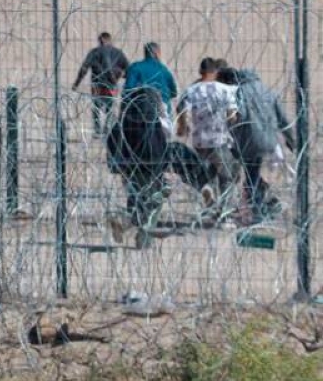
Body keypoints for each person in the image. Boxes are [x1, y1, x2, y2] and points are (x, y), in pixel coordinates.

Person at [219, 67, 295, 223]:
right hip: (269, 140)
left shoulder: (238, 92)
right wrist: (291, 139)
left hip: (248, 140)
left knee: (250, 175)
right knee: (252, 173)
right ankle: (263, 203)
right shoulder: (266, 91)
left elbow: (238, 117)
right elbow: (282, 117)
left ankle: (258, 212)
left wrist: (231, 137)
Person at [107, 86, 170, 248]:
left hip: (127, 166)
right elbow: (163, 143)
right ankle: (141, 236)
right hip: (151, 166)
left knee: (137, 198)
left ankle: (127, 223)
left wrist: (115, 165)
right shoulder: (154, 120)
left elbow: (112, 140)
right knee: (154, 200)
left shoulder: (124, 119)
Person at [176, 58, 239, 212]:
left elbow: (180, 108)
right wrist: (231, 125)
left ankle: (207, 189)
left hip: (199, 141)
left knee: (208, 171)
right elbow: (232, 115)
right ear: (215, 72)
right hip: (219, 140)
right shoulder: (224, 89)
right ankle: (225, 212)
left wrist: (183, 126)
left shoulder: (192, 90)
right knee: (227, 176)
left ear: (200, 72)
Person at [73, 32, 130, 137]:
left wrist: (76, 83)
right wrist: (120, 75)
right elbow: (128, 68)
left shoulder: (95, 52)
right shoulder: (118, 53)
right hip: (111, 84)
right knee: (109, 107)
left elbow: (84, 68)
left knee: (96, 107)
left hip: (97, 84)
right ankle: (107, 128)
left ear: (102, 40)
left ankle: (98, 129)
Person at [124, 42, 178, 115]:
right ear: (156, 53)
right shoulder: (163, 69)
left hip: (140, 110)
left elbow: (128, 90)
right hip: (162, 110)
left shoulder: (135, 67)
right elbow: (174, 92)